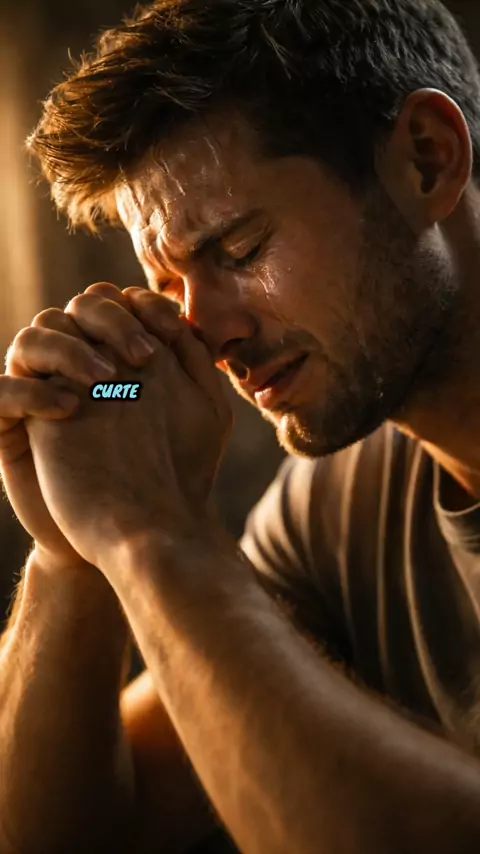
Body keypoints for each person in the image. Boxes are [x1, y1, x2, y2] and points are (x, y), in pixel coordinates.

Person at [1, 0, 480, 851]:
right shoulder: (334, 506)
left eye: (239, 250)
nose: (210, 334)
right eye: (171, 285)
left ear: (425, 159)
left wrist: (154, 534)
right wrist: (73, 552)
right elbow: (73, 831)